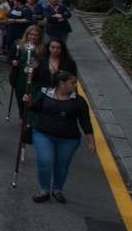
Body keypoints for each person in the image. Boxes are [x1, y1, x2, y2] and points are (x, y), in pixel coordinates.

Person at [27, 72, 95, 204]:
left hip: (69, 139)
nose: (75, 86)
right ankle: (44, 190)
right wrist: (28, 101)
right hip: (43, 134)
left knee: (62, 165)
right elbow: (33, 107)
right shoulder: (45, 94)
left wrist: (91, 142)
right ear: (61, 84)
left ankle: (57, 189)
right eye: (72, 83)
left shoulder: (79, 102)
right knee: (45, 160)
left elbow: (85, 123)